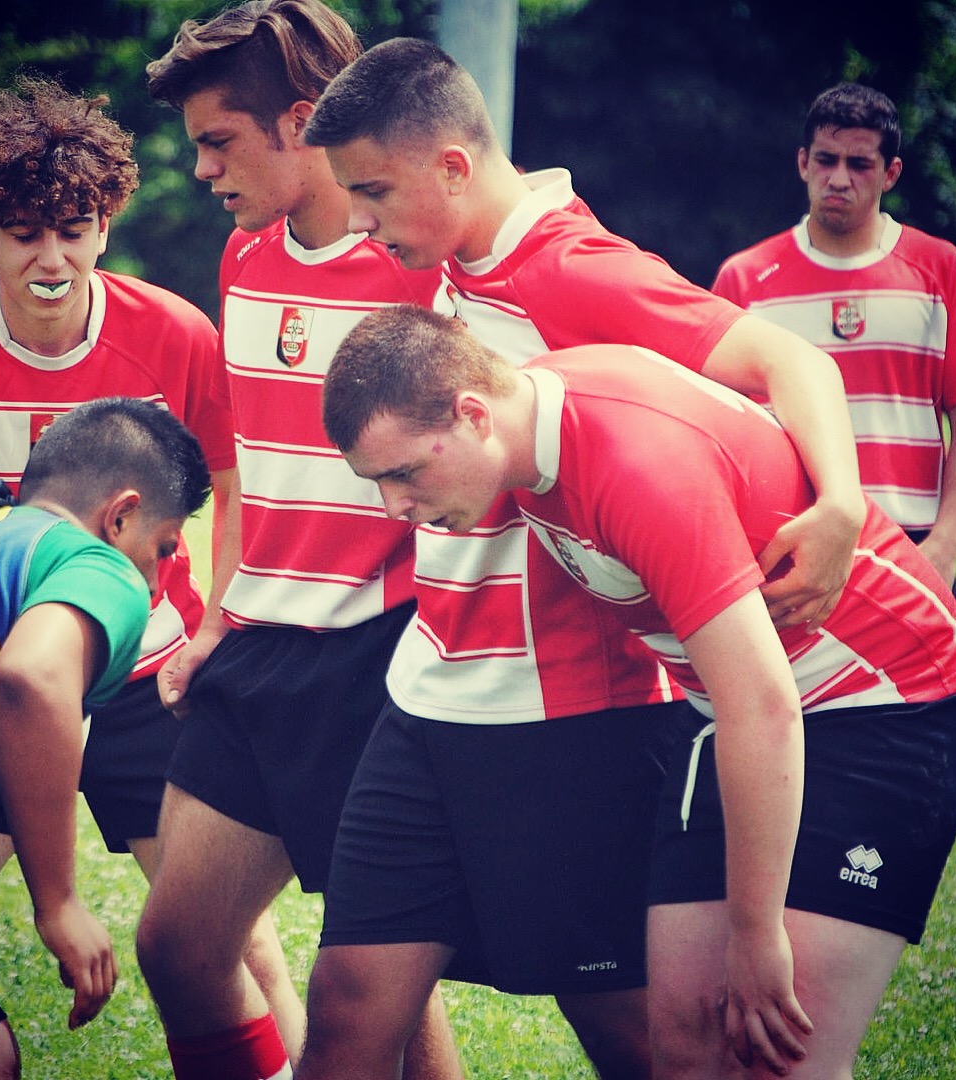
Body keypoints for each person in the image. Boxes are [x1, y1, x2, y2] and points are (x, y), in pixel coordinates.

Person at [292, 37, 868, 1079]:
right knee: (344, 1010)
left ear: (453, 169)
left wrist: (841, 502)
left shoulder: (572, 267)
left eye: (373, 194)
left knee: (640, 1037)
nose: (363, 227)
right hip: (432, 688)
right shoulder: (455, 261)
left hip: (558, 710)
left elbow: (785, 356)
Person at [320, 303, 956, 1080]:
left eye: (403, 474)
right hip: (737, 716)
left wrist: (756, 930)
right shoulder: (522, 432)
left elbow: (762, 704)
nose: (396, 508)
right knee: (684, 1047)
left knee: (778, 1062)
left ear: (472, 414)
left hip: (888, 706)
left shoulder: (634, 464)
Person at [140, 5, 459, 1077]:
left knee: (382, 999)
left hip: (374, 657)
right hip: (255, 649)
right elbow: (247, 477)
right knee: (180, 949)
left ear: (304, 119)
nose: (201, 171)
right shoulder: (241, 261)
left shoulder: (426, 272)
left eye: (219, 141)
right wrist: (216, 618)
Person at [0, 397, 216, 1080]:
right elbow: (34, 676)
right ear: (121, 515)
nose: (157, 578)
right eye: (162, 549)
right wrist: (59, 902)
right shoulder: (101, 567)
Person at [712, 83, 956, 589]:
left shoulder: (940, 269)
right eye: (826, 160)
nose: (839, 178)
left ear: (891, 173)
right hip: (788, 545)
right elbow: (717, 428)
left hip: (913, 548)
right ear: (803, 163)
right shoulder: (745, 278)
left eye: (859, 164)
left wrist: (945, 546)